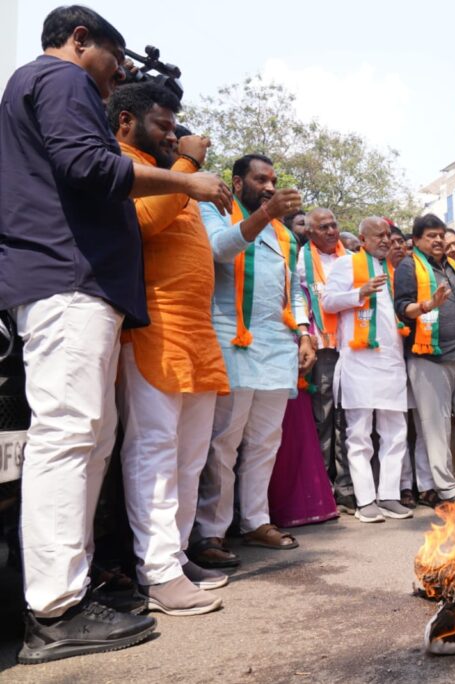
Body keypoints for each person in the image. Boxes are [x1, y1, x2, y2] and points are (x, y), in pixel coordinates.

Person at [0, 6, 232, 663]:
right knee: (71, 435)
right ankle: (53, 609)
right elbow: (91, 169)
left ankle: (66, 597)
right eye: (113, 60)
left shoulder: (34, 87)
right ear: (79, 40)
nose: (116, 80)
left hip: (72, 284)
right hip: (67, 281)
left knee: (86, 437)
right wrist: (187, 178)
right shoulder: (58, 78)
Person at [108, 83, 229, 616]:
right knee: (154, 450)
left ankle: (176, 556)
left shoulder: (172, 173)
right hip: (154, 326)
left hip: (196, 332)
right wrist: (185, 165)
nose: (173, 134)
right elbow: (141, 223)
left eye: (176, 127)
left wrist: (183, 171)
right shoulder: (121, 161)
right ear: (126, 121)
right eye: (163, 125)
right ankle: (156, 572)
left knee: (189, 455)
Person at [192, 154, 315, 566]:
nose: (268, 185)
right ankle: (210, 531)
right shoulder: (215, 209)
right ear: (237, 181)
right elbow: (219, 250)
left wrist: (303, 332)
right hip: (232, 339)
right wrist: (265, 212)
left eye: (273, 180)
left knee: (265, 441)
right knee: (224, 440)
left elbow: (293, 290)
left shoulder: (284, 234)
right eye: (260, 179)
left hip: (277, 345)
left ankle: (256, 521)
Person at [321, 217, 413, 522]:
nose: (386, 240)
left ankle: (389, 495)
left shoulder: (393, 270)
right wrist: (360, 292)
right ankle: (365, 501)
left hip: (390, 361)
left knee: (395, 431)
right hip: (359, 360)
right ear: (362, 239)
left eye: (388, 235)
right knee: (359, 433)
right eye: (379, 236)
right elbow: (329, 302)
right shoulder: (347, 265)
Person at [394, 214, 455, 504]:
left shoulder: (450, 265)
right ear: (416, 240)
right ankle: (447, 489)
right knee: (437, 426)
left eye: (440, 235)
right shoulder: (409, 266)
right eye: (430, 235)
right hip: (430, 357)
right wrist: (428, 305)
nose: (437, 240)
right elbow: (402, 307)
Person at [295, 208, 355, 510]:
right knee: (324, 419)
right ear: (310, 232)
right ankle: (324, 489)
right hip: (323, 349)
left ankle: (347, 487)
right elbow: (298, 302)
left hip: (354, 348)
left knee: (348, 418)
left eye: (334, 225)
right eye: (324, 227)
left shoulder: (352, 260)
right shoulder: (300, 263)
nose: (332, 231)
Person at [388, 224, 437, 506]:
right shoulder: (374, 276)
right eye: (392, 242)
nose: (397, 247)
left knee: (421, 424)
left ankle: (426, 485)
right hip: (386, 363)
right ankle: (403, 486)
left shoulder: (420, 275)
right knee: (397, 427)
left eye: (402, 243)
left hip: (419, 355)